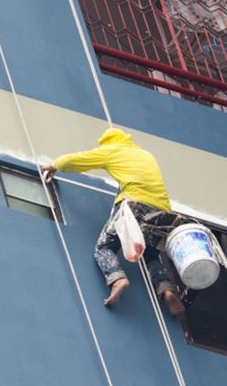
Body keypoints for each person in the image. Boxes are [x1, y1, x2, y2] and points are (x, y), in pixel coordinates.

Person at [41, 128, 185, 315]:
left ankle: (117, 279)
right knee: (150, 254)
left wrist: (54, 165)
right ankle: (167, 290)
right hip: (162, 213)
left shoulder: (112, 150)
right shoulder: (145, 155)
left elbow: (76, 160)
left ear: (108, 142)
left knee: (104, 248)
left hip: (135, 206)